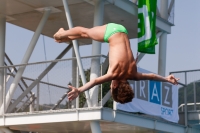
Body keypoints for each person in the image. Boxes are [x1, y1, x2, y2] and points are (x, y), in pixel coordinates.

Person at [53, 23, 179, 104]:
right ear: (114, 87)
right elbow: (95, 81)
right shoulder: (114, 74)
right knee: (85, 32)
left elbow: (152, 76)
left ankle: (63, 37)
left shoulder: (133, 74)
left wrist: (167, 79)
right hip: (111, 32)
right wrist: (79, 90)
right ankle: (61, 33)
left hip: (123, 30)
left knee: (86, 35)